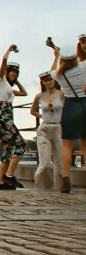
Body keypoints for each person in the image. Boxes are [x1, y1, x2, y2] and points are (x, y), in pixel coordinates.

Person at [49, 46, 86, 193]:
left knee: (67, 145)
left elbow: (51, 71)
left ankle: (66, 181)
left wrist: (56, 56)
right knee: (85, 143)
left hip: (70, 106)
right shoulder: (83, 67)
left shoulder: (59, 75)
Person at [0, 44, 28, 190]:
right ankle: (10, 176)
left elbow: (24, 93)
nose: (14, 74)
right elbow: (4, 61)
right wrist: (9, 49)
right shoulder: (0, 80)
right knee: (21, 145)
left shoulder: (8, 89)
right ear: (6, 72)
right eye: (11, 72)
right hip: (3, 115)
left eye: (16, 73)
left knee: (8, 147)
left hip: (3, 115)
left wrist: (16, 81)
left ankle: (0, 182)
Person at [30, 71, 63, 190]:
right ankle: (42, 188)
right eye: (46, 81)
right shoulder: (39, 96)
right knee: (45, 163)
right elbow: (33, 110)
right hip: (44, 129)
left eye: (50, 80)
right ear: (42, 83)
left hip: (58, 128)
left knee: (60, 163)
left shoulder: (62, 94)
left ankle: (60, 188)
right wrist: (41, 116)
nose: (49, 82)